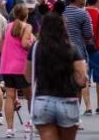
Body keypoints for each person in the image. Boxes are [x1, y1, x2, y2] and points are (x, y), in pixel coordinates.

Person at [26, 12, 87, 140]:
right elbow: (81, 80)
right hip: (67, 100)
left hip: (42, 100)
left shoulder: (36, 48)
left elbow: (27, 76)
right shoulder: (72, 49)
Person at [2, 4, 35, 138]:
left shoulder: (7, 27)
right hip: (21, 66)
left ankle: (10, 129)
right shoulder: (27, 27)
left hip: (6, 65)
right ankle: (32, 122)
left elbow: (3, 45)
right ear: (26, 15)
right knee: (30, 96)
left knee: (10, 96)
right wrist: (33, 43)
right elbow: (24, 44)